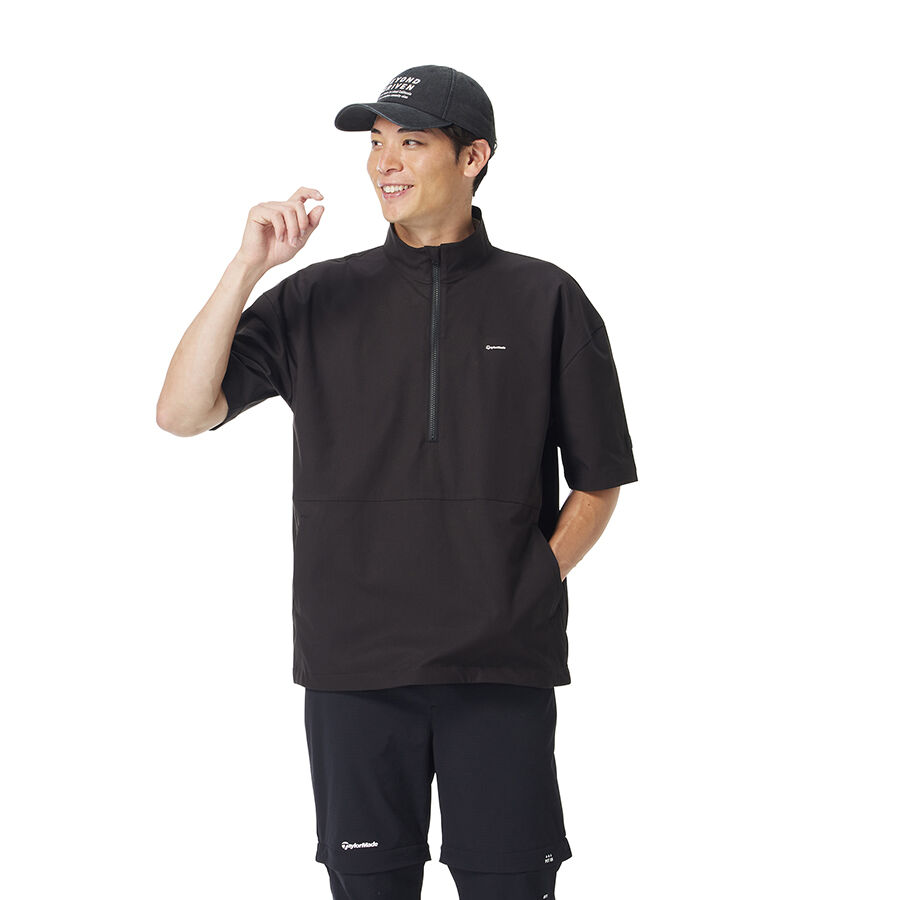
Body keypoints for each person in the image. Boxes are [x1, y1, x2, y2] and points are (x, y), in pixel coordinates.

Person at [157, 64, 638, 900]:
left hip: (500, 669)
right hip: (354, 668)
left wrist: (530, 579)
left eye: (411, 142)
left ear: (474, 157)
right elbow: (182, 412)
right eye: (377, 143)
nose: (385, 162)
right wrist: (247, 268)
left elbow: (599, 480)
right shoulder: (316, 299)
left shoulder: (546, 298)